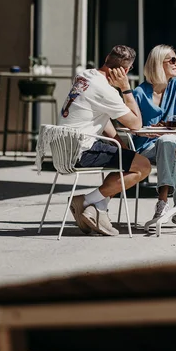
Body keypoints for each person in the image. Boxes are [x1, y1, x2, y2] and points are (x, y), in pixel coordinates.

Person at [58, 45, 151, 237]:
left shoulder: (86, 75)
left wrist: (119, 142)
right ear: (125, 71)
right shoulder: (106, 91)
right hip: (81, 151)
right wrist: (126, 88)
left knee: (128, 161)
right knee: (143, 166)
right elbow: (136, 124)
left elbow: (101, 116)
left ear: (107, 57)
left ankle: (98, 209)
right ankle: (85, 201)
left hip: (65, 148)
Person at [132, 45, 176, 229]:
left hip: (172, 145)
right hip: (145, 149)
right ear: (157, 63)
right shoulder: (139, 93)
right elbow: (131, 126)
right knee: (168, 142)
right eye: (172, 60)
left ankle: (172, 208)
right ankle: (173, 207)